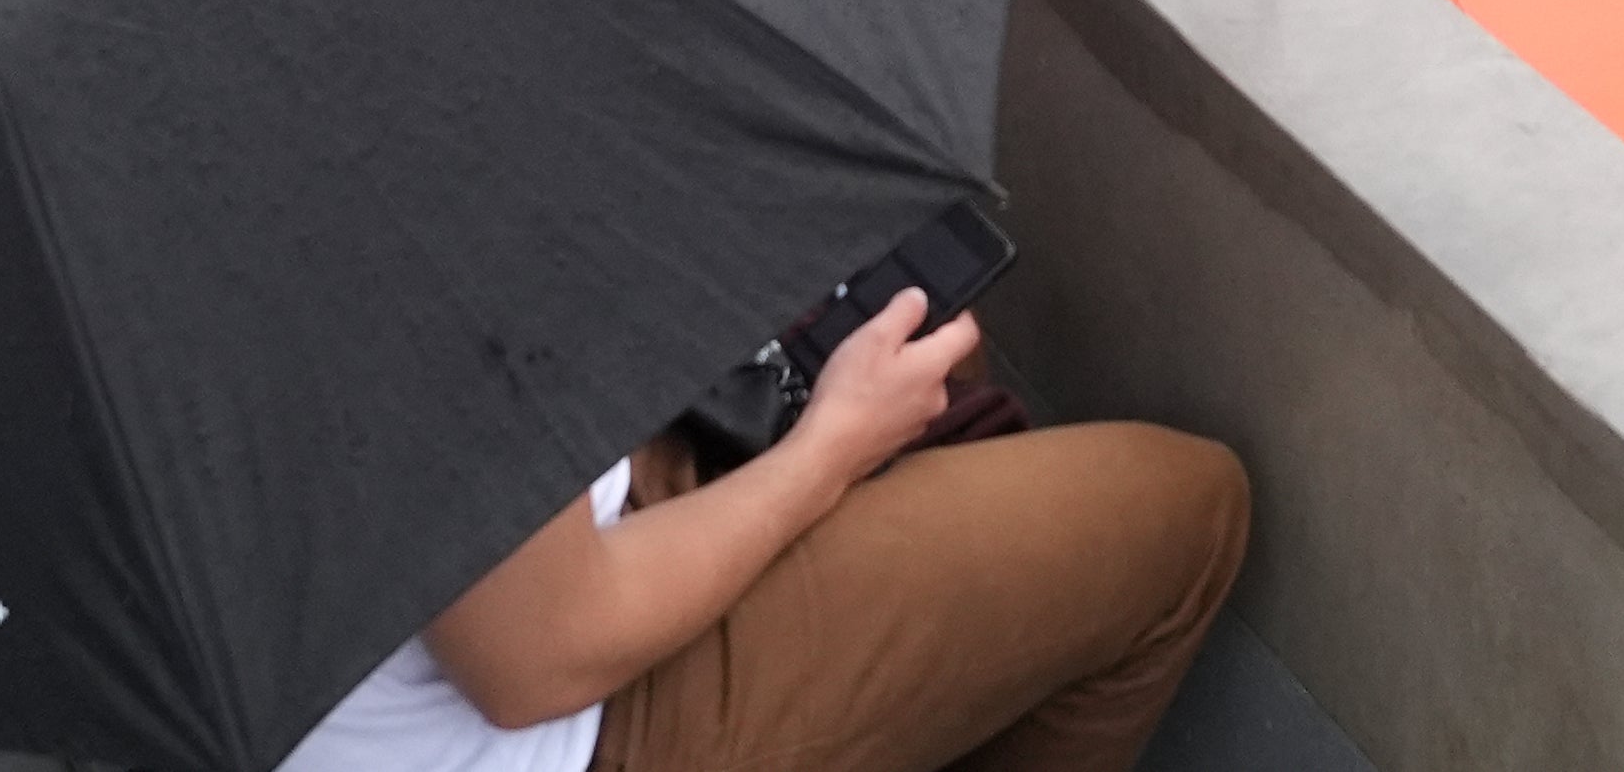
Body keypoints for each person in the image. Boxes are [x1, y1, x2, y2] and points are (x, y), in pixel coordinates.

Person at [296, 292, 1249, 772]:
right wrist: (827, 450)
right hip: (547, 720)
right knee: (1185, 509)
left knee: (930, 335)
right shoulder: (374, 228)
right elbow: (534, 660)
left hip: (494, 560)